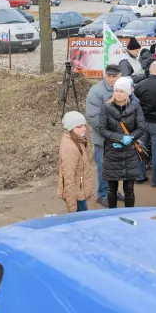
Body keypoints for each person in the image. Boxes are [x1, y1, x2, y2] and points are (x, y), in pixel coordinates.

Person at [95, 75, 146, 208]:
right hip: (112, 152)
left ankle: (129, 214)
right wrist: (120, 138)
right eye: (116, 90)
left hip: (129, 153)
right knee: (111, 189)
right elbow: (102, 129)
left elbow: (141, 127)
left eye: (121, 91)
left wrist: (131, 138)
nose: (118, 94)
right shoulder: (106, 107)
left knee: (129, 190)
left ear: (128, 92)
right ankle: (113, 214)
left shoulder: (136, 107)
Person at [85, 63, 124, 205]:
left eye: (115, 76)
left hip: (119, 138)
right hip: (102, 139)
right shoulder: (96, 91)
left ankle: (114, 191)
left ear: (120, 76)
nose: (111, 79)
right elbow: (92, 117)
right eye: (109, 76)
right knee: (104, 168)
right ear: (105, 75)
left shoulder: (123, 88)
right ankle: (102, 194)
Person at [57, 111, 93, 212]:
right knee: (82, 221)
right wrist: (72, 208)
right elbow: (68, 179)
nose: (84, 128)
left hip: (79, 190)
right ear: (70, 129)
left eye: (84, 125)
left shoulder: (77, 140)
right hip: (76, 194)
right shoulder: (70, 148)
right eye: (79, 126)